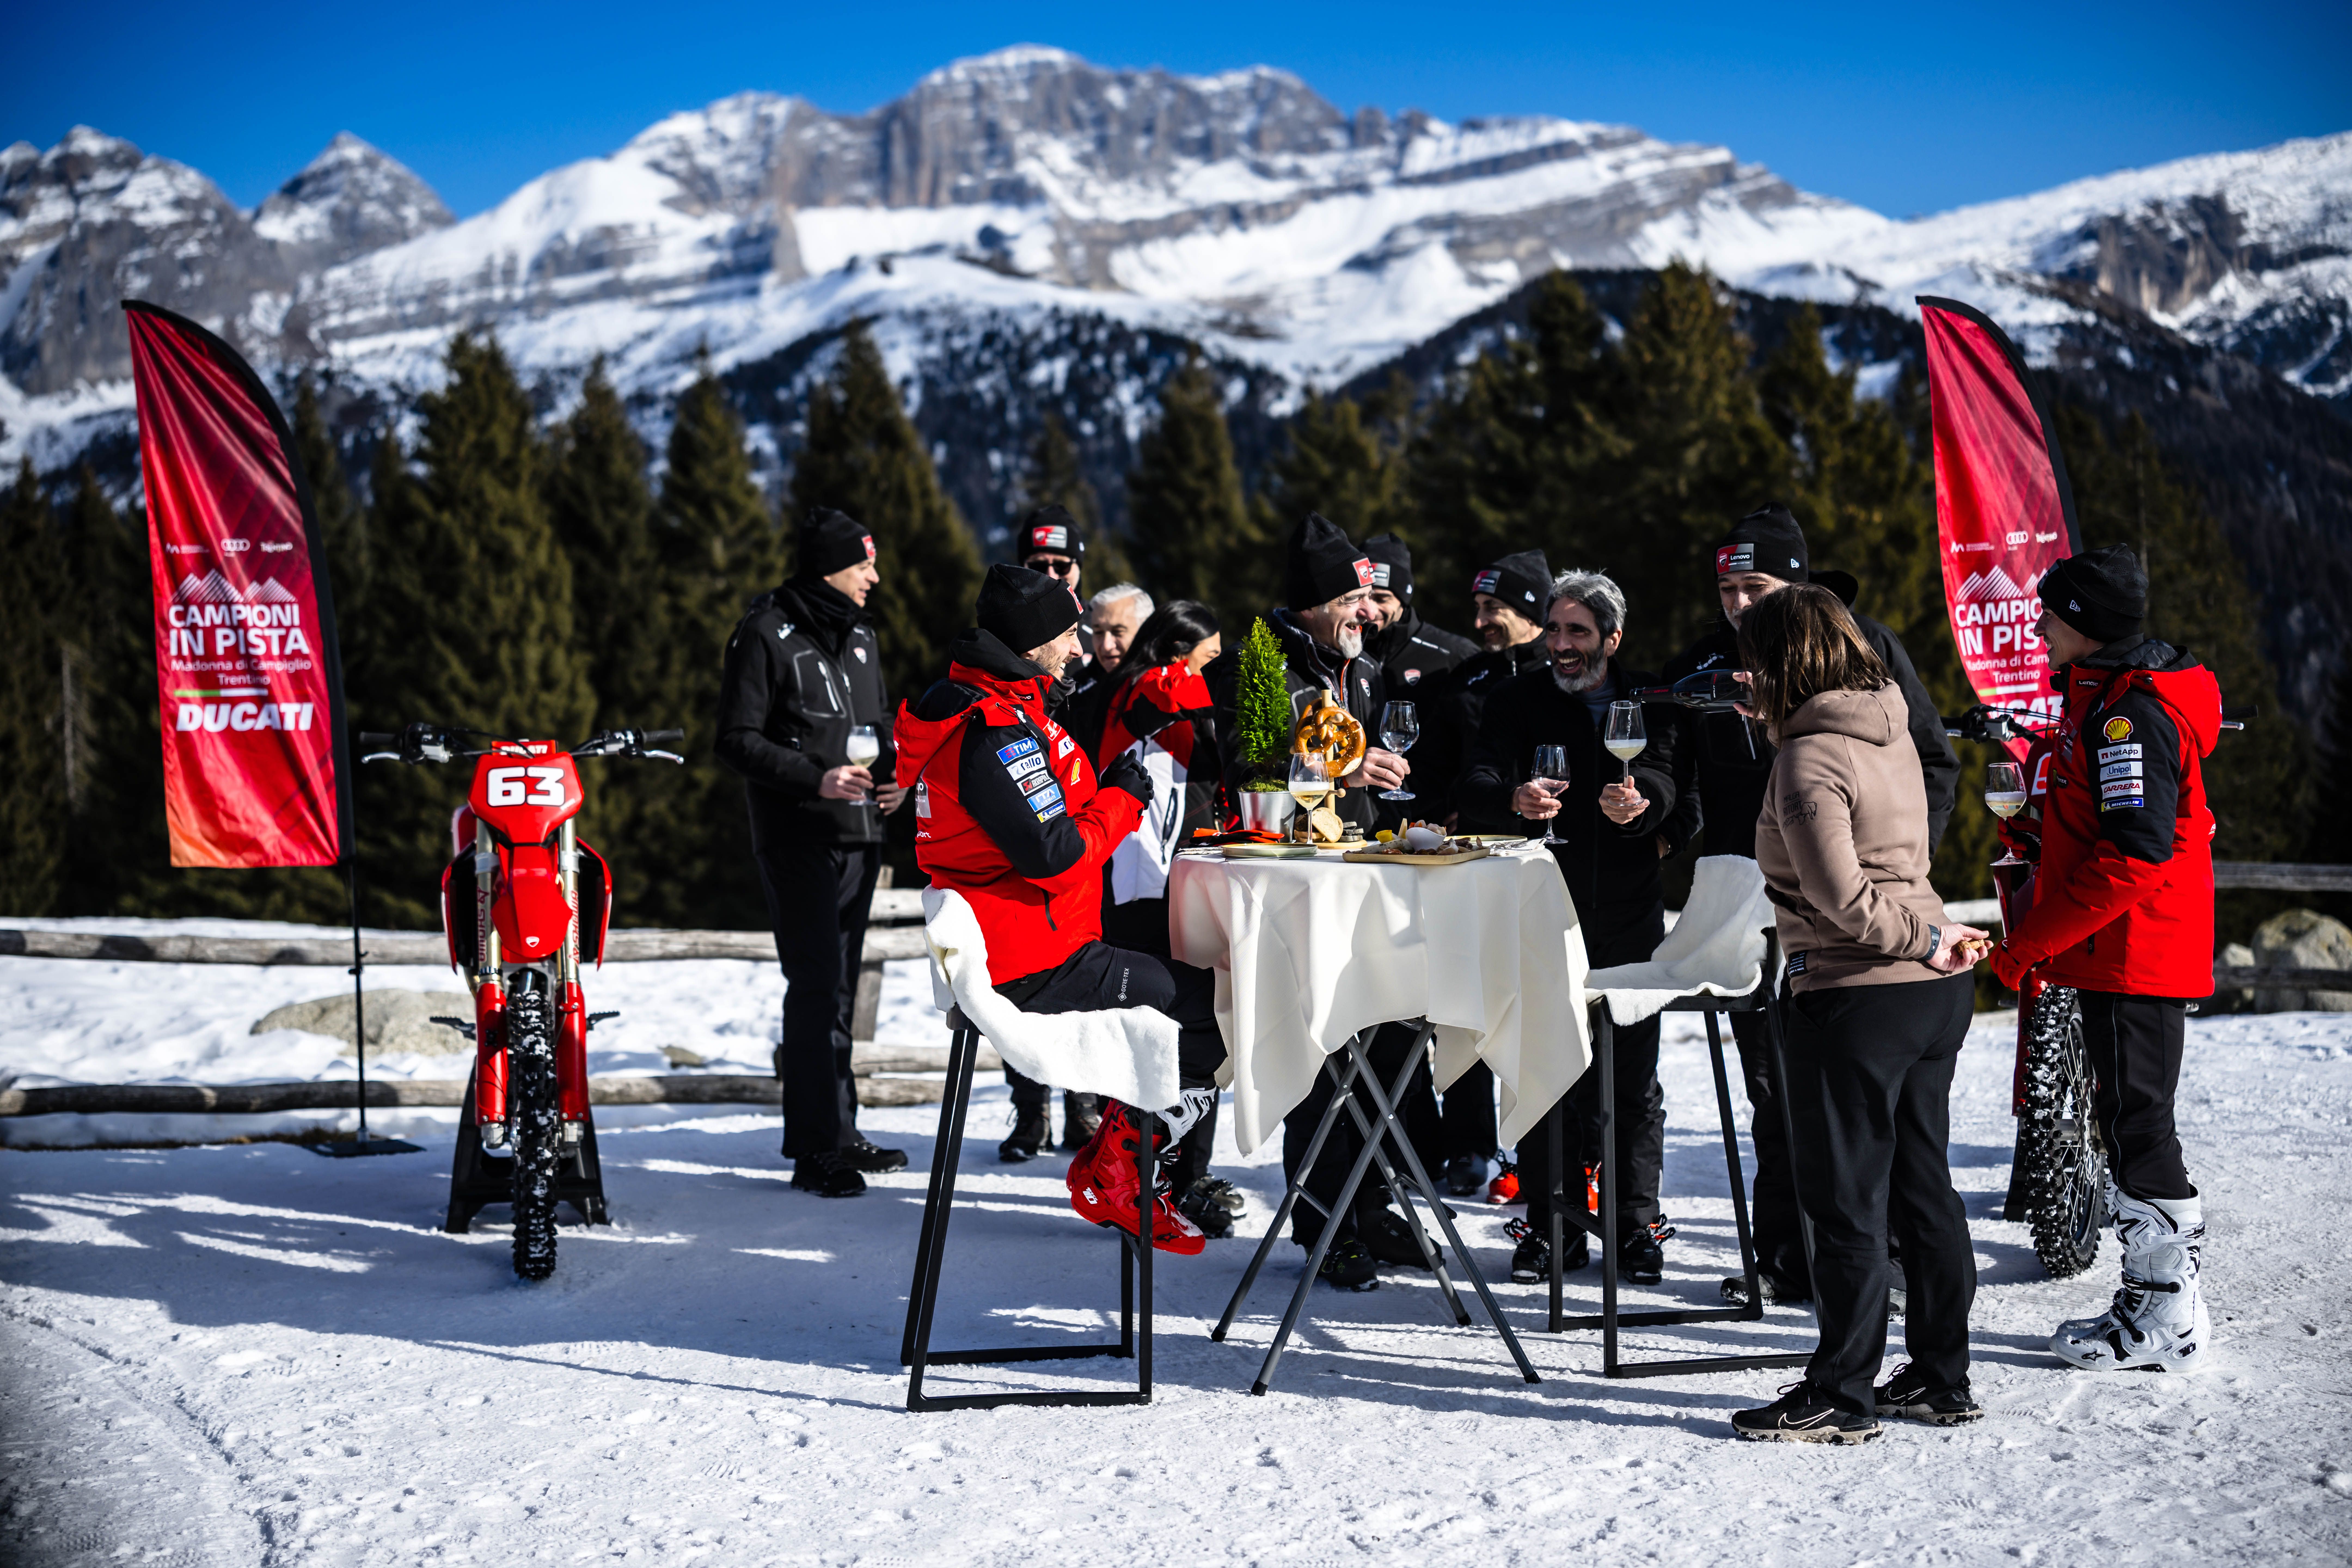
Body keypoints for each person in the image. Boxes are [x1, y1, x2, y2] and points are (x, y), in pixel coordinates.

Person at [1664, 503, 1961, 1308]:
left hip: (1862, 915)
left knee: (1874, 1100)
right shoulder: (1705, 664)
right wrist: (1652, 815)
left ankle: (1886, 1265)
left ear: (1795, 584)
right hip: (1746, 905)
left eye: (1752, 587)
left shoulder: (1865, 650)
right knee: (1777, 1090)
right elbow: (1671, 775)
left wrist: (1894, 867)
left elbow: (1933, 764)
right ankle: (1787, 1260)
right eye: (1725, 588)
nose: (1736, 606)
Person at [893, 564, 1230, 1254]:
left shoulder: (1003, 705)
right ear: (1033, 640)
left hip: (1038, 938)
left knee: (1194, 989)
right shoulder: (992, 728)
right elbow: (1054, 852)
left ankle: (1124, 1159)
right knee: (1202, 1006)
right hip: (1033, 960)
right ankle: (1125, 1171)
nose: (1079, 647)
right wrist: (1121, 796)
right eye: (1069, 633)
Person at [1726, 584, 1990, 1444]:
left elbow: (1843, 899)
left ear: (1785, 663)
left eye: (1756, 659)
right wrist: (1934, 941)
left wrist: (1919, 940)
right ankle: (1941, 1379)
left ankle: (1843, 1391)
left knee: (1846, 1205)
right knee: (1923, 1188)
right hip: (1929, 992)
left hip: (1857, 995)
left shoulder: (1809, 759)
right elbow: (1896, 862)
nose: (1746, 674)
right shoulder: (1890, 728)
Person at [1987, 545, 2220, 1375]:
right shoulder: (2106, 701)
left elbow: (2135, 855)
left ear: (2085, 624)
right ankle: (2159, 1305)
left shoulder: (2129, 716)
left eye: (2052, 612)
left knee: (2138, 1128)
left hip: (2137, 956)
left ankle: (2166, 1316)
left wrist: (2026, 946)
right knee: (2130, 1124)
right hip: (2123, 954)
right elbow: (2110, 828)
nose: (2040, 625)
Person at [1456, 569, 1690, 1286]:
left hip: (1627, 911)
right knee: (1542, 1069)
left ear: (1611, 640)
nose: (1559, 644)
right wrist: (1513, 797)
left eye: (1576, 632)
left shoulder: (1649, 698)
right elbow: (1476, 781)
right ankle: (1551, 1224)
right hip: (1537, 908)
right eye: (1554, 629)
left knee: (1632, 1073)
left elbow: (1675, 785)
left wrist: (1644, 812)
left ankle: (1633, 1223)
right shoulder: (1514, 698)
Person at [1202, 513, 1418, 1288]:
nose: (1368, 610)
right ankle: (1325, 1223)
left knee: (1390, 1044)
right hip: (1293, 894)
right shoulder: (1254, 666)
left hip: (1364, 881)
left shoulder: (1358, 667)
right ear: (1315, 601)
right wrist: (1339, 769)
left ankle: (1369, 1205)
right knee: (1326, 1056)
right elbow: (1248, 768)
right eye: (1354, 596)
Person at [715, 507, 910, 1198]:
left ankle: (841, 1128)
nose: (875, 577)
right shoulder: (765, 632)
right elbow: (735, 738)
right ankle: (814, 1148)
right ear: (831, 565)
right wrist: (814, 777)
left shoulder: (860, 636)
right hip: (797, 834)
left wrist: (894, 778)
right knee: (816, 985)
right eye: (865, 564)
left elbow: (878, 722)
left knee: (842, 989)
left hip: (859, 832)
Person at [1091, 600, 1237, 1236]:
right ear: (1179, 654)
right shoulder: (1143, 691)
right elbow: (1162, 690)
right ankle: (1137, 1175)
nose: (1217, 672)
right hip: (1139, 896)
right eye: (1210, 658)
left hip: (1173, 887)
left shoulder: (1172, 706)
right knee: (1179, 1031)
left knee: (1188, 1032)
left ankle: (1158, 1174)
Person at [999, 509, 1120, 1155]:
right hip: (1029, 839)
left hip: (1089, 837)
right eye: (1038, 566)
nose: (1051, 575)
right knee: (1020, 984)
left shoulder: (1097, 660)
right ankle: (1028, 1111)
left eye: (1061, 567)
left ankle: (1084, 1106)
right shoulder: (1009, 647)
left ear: (1079, 570)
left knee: (1082, 982)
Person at [1413, 549, 1555, 833]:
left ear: (1530, 611)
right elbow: (1433, 766)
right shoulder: (1468, 675)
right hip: (1481, 847)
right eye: (1478, 607)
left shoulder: (1566, 673)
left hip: (1555, 845)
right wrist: (1446, 813)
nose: (1479, 621)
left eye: (1492, 607)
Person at [1362, 532, 1477, 694]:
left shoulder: (1455, 656)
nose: (1370, 612)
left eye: (1382, 599)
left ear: (1404, 598)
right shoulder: (1340, 649)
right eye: (1362, 597)